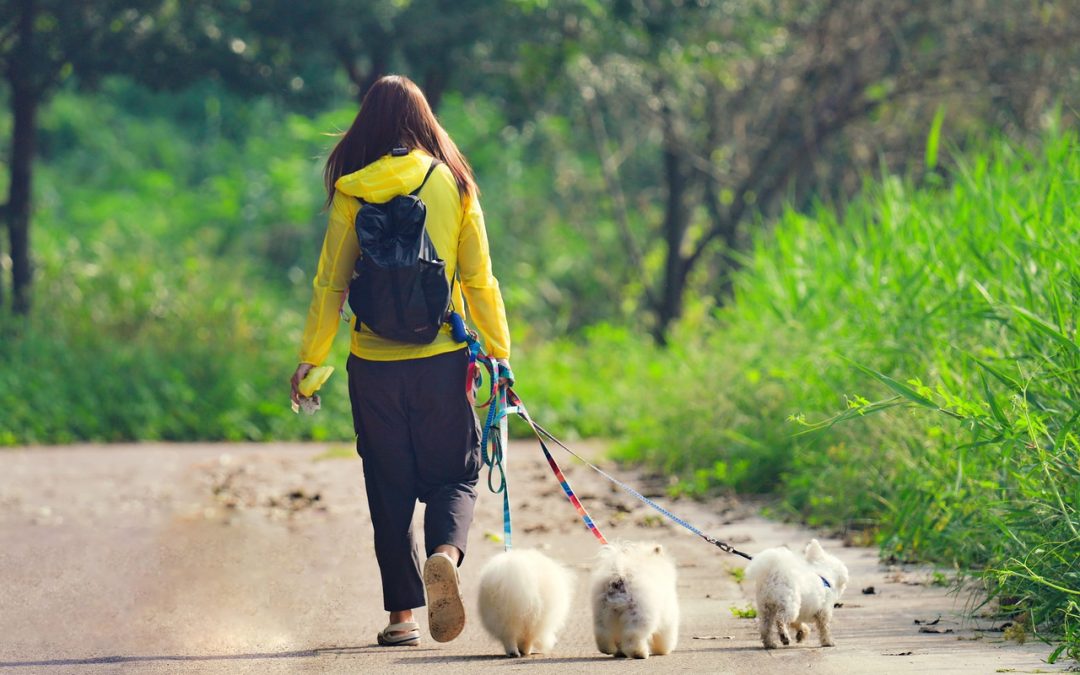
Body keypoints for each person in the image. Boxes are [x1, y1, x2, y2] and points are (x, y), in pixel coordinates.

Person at [289, 75, 511, 647]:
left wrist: (312, 362)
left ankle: (401, 618)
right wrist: (500, 356)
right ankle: (444, 555)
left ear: (368, 125)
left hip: (373, 365)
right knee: (456, 475)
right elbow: (479, 280)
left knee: (387, 487)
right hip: (443, 359)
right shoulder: (453, 183)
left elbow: (329, 286)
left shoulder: (351, 189)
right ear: (425, 122)